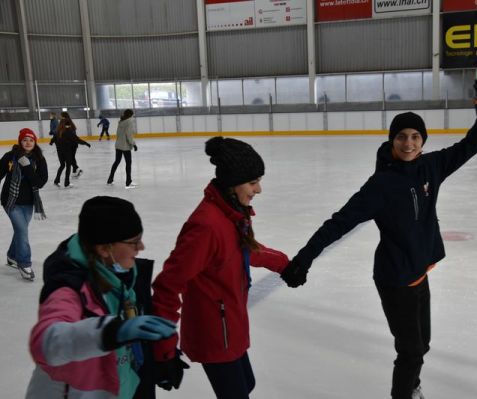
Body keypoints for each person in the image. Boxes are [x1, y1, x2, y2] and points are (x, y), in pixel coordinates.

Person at [281, 80, 477, 399]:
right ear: (392, 140)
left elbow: (470, 145)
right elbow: (339, 222)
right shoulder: (381, 185)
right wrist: (304, 257)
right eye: (401, 137)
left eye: (414, 136)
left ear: (422, 140)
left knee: (421, 344)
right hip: (395, 279)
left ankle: (411, 386)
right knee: (410, 352)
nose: (408, 143)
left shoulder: (431, 166)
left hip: (418, 272)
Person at [151, 137, 290, 398]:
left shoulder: (232, 214)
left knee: (246, 385)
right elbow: (167, 286)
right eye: (253, 182)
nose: (259, 189)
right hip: (214, 332)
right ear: (232, 183)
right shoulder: (206, 227)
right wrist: (163, 348)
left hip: (231, 323)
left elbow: (243, 251)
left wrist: (284, 264)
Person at [25, 196, 177, 398]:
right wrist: (110, 332)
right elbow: (46, 342)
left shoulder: (125, 277)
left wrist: (160, 359)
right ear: (104, 248)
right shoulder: (69, 288)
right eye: (133, 242)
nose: (141, 247)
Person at [0, 128, 48, 281]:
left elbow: (40, 183)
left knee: (21, 231)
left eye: (31, 140)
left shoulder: (39, 159)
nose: (28, 143)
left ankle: (12, 256)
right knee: (22, 231)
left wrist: (27, 166)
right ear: (20, 142)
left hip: (28, 202)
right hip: (10, 200)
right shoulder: (10, 157)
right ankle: (24, 263)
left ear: (35, 142)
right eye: (25, 140)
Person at [50, 112, 91, 187]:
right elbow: (77, 139)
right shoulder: (68, 131)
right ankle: (67, 183)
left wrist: (51, 142)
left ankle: (56, 180)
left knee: (62, 165)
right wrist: (86, 143)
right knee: (68, 166)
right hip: (67, 150)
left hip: (60, 151)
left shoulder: (58, 131)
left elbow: (54, 138)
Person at [107, 109, 138, 188]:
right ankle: (128, 182)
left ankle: (110, 179)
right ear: (131, 114)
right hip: (125, 146)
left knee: (117, 162)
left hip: (118, 145)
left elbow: (118, 133)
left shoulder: (121, 121)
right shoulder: (129, 122)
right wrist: (133, 144)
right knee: (128, 163)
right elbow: (129, 135)